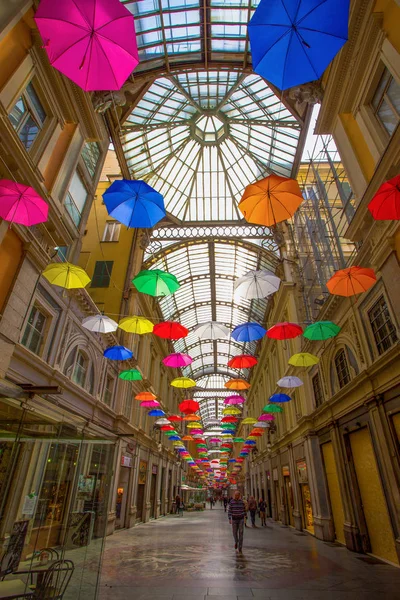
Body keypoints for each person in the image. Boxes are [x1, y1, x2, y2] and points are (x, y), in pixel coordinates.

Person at [228, 491, 246, 555]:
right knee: (234, 532)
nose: (236, 496)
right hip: (234, 520)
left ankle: (240, 547)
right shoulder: (231, 502)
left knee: (241, 533)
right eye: (235, 495)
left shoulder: (242, 502)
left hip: (241, 519)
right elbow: (229, 510)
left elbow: (244, 509)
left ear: (239, 495)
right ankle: (236, 541)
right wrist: (230, 518)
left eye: (237, 495)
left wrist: (245, 516)